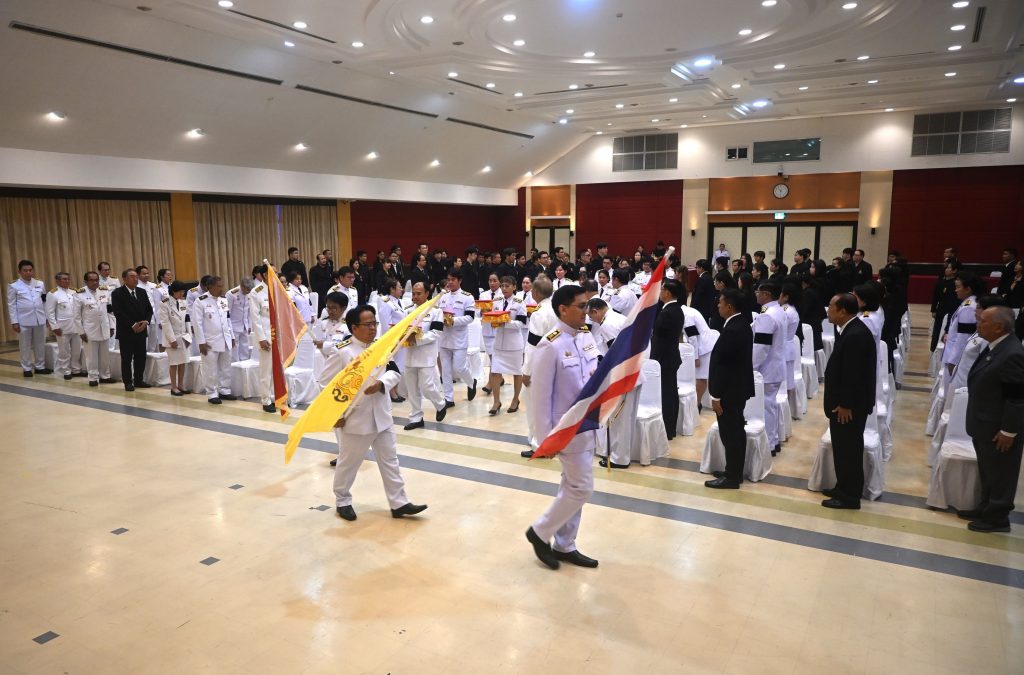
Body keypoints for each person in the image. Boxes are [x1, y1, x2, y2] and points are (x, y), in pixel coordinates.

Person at [318, 305, 428, 522]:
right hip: (355, 419)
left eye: (374, 323)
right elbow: (323, 383)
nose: (372, 328)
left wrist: (381, 384)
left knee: (390, 460)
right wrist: (335, 413)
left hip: (382, 415)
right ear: (354, 327)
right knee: (349, 463)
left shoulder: (380, 346)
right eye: (367, 324)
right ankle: (342, 500)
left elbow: (394, 371)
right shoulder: (343, 351)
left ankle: (399, 502)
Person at [525, 284, 600, 571]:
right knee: (582, 488)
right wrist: (546, 440)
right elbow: (540, 397)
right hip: (565, 431)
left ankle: (565, 544)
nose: (586, 311)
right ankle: (540, 531)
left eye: (587, 305)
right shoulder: (550, 345)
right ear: (563, 310)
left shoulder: (585, 337)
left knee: (571, 487)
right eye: (581, 306)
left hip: (586, 427)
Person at [958, 306, 1024, 532]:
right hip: (985, 422)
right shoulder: (996, 347)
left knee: (1001, 472)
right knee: (988, 469)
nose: (978, 324)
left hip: (999, 428)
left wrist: (1009, 431)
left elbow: (1016, 398)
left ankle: (997, 517)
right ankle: (985, 507)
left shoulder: (1012, 353)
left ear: (999, 326)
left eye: (983, 321)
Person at [821, 293, 877, 510]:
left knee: (849, 449)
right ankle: (842, 486)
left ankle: (849, 496)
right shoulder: (849, 330)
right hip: (846, 404)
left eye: (831, 306)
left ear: (843, 310)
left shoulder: (855, 334)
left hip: (849, 407)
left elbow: (853, 375)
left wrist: (846, 404)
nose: (828, 310)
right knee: (843, 447)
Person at [705, 289, 756, 489]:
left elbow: (725, 365)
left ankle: (732, 476)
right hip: (735, 388)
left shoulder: (734, 329)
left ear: (730, 306)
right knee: (733, 431)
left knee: (731, 432)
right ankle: (732, 470)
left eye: (721, 302)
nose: (718, 305)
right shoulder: (739, 323)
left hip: (730, 390)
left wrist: (716, 395)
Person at [587, 298, 635, 469]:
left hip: (623, 376)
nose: (593, 321)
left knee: (618, 419)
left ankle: (619, 458)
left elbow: (618, 354)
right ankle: (624, 454)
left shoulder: (607, 325)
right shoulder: (619, 318)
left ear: (595, 311)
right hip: (634, 372)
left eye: (591, 317)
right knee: (627, 418)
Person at [402, 282, 448, 431]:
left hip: (426, 355)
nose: (415, 297)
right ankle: (416, 417)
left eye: (419, 293)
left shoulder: (435, 311)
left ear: (427, 293)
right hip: (409, 353)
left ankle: (440, 404)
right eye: (414, 294)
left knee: (427, 386)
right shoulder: (408, 310)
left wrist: (417, 339)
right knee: (411, 388)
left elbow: (436, 333)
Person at [522, 277, 557, 458]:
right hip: (552, 363)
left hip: (538, 365)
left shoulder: (539, 313)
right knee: (548, 405)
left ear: (535, 293)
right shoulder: (556, 308)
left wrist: (526, 372)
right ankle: (546, 440)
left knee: (535, 406)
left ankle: (538, 444)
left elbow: (532, 345)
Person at [752, 281, 787, 456]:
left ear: (766, 294)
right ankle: (773, 440)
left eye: (758, 292)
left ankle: (770, 443)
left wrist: (752, 368)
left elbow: (761, 347)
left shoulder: (767, 315)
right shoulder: (779, 311)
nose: (756, 294)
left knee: (766, 406)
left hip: (766, 368)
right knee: (770, 404)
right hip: (776, 365)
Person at [486, 276, 528, 415]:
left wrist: (506, 322)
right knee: (495, 371)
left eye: (507, 286)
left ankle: (516, 399)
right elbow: (492, 317)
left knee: (517, 372)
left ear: (514, 287)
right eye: (502, 286)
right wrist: (492, 320)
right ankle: (496, 402)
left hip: (514, 344)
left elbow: (522, 323)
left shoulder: (520, 302)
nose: (504, 288)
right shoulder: (496, 301)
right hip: (498, 342)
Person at [193, 276, 237, 404]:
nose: (221, 288)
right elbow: (197, 323)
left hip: (225, 339)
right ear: (210, 287)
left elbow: (228, 320)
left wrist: (232, 337)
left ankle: (224, 390)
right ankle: (212, 393)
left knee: (226, 367)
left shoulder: (223, 300)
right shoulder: (200, 301)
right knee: (210, 369)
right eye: (218, 286)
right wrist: (201, 342)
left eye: (222, 285)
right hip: (209, 341)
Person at [437, 269, 477, 407]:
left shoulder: (467, 297)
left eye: (453, 279)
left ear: (459, 281)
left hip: (459, 337)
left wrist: (454, 321)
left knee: (459, 367)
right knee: (446, 370)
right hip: (444, 338)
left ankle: (471, 382)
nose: (450, 282)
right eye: (448, 279)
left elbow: (470, 317)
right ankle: (449, 398)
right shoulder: (443, 296)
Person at [652, 279, 686, 441]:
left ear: (668, 293)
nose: (659, 292)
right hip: (670, 356)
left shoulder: (668, 312)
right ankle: (669, 427)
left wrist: (654, 360)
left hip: (664, 359)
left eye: (662, 289)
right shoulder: (675, 309)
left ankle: (667, 428)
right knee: (670, 392)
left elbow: (660, 340)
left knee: (667, 394)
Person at [110, 268, 153, 391]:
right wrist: (133, 324)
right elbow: (118, 312)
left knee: (141, 356)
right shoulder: (117, 293)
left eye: (136, 277)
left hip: (142, 330)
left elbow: (149, 310)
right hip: (126, 331)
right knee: (127, 358)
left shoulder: (142, 292)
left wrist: (146, 321)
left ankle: (139, 380)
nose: (135, 279)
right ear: (124, 279)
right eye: (132, 277)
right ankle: (128, 382)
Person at [7, 260, 49, 376]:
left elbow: (44, 301)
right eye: (25, 270)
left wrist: (46, 318)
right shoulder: (14, 285)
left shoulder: (39, 283)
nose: (28, 273)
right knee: (25, 345)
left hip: (39, 318)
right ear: (19, 271)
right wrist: (14, 322)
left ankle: (40, 366)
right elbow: (11, 305)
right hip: (23, 320)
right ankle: (27, 368)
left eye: (30, 270)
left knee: (40, 344)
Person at [75, 271, 115, 386]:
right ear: (86, 281)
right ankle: (93, 377)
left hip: (105, 328)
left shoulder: (104, 291)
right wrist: (81, 332)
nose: (95, 282)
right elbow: (76, 316)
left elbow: (110, 310)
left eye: (96, 280)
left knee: (105, 356)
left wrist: (112, 326)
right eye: (92, 280)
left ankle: (105, 376)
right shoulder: (79, 294)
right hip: (89, 330)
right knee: (91, 356)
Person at [942, 274, 986, 376]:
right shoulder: (968, 303)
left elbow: (964, 337)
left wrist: (954, 360)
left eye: (958, 287)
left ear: (968, 289)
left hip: (957, 358)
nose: (955, 290)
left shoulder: (969, 307)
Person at [45, 271, 84, 380]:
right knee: (64, 351)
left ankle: (76, 370)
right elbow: (50, 312)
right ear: (57, 281)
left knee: (76, 350)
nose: (67, 281)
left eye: (68, 279)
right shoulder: (53, 294)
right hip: (62, 328)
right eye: (64, 279)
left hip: (76, 326)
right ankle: (66, 371)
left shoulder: (74, 292)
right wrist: (54, 327)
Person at [248, 275, 277, 414]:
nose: (276, 275)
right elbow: (255, 317)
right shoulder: (257, 292)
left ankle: (276, 396)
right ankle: (266, 400)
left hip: (279, 336)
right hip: (266, 335)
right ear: (265, 275)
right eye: (273, 272)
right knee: (266, 370)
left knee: (278, 370)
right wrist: (261, 338)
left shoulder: (278, 289)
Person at [160, 280, 191, 396]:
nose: (182, 294)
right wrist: (172, 340)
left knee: (183, 362)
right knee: (174, 363)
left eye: (183, 291)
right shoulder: (164, 303)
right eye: (180, 291)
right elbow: (165, 323)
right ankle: (173, 387)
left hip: (183, 337)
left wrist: (189, 336)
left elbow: (187, 318)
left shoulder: (183, 302)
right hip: (172, 338)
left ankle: (181, 385)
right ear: (174, 291)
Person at [930, 259, 961, 352]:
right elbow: (935, 296)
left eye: (949, 268)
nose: (946, 269)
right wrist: (934, 309)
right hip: (940, 310)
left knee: (945, 331)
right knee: (936, 331)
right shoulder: (941, 282)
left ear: (954, 270)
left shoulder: (955, 284)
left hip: (950, 310)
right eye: (946, 268)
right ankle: (933, 349)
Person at [228, 277, 254, 361]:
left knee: (245, 347)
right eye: (247, 290)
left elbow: (249, 311)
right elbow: (227, 314)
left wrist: (249, 325)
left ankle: (244, 366)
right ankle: (235, 366)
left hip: (245, 325)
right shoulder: (231, 294)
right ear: (242, 286)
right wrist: (229, 329)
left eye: (250, 290)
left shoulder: (250, 293)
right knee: (235, 348)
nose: (248, 292)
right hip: (234, 325)